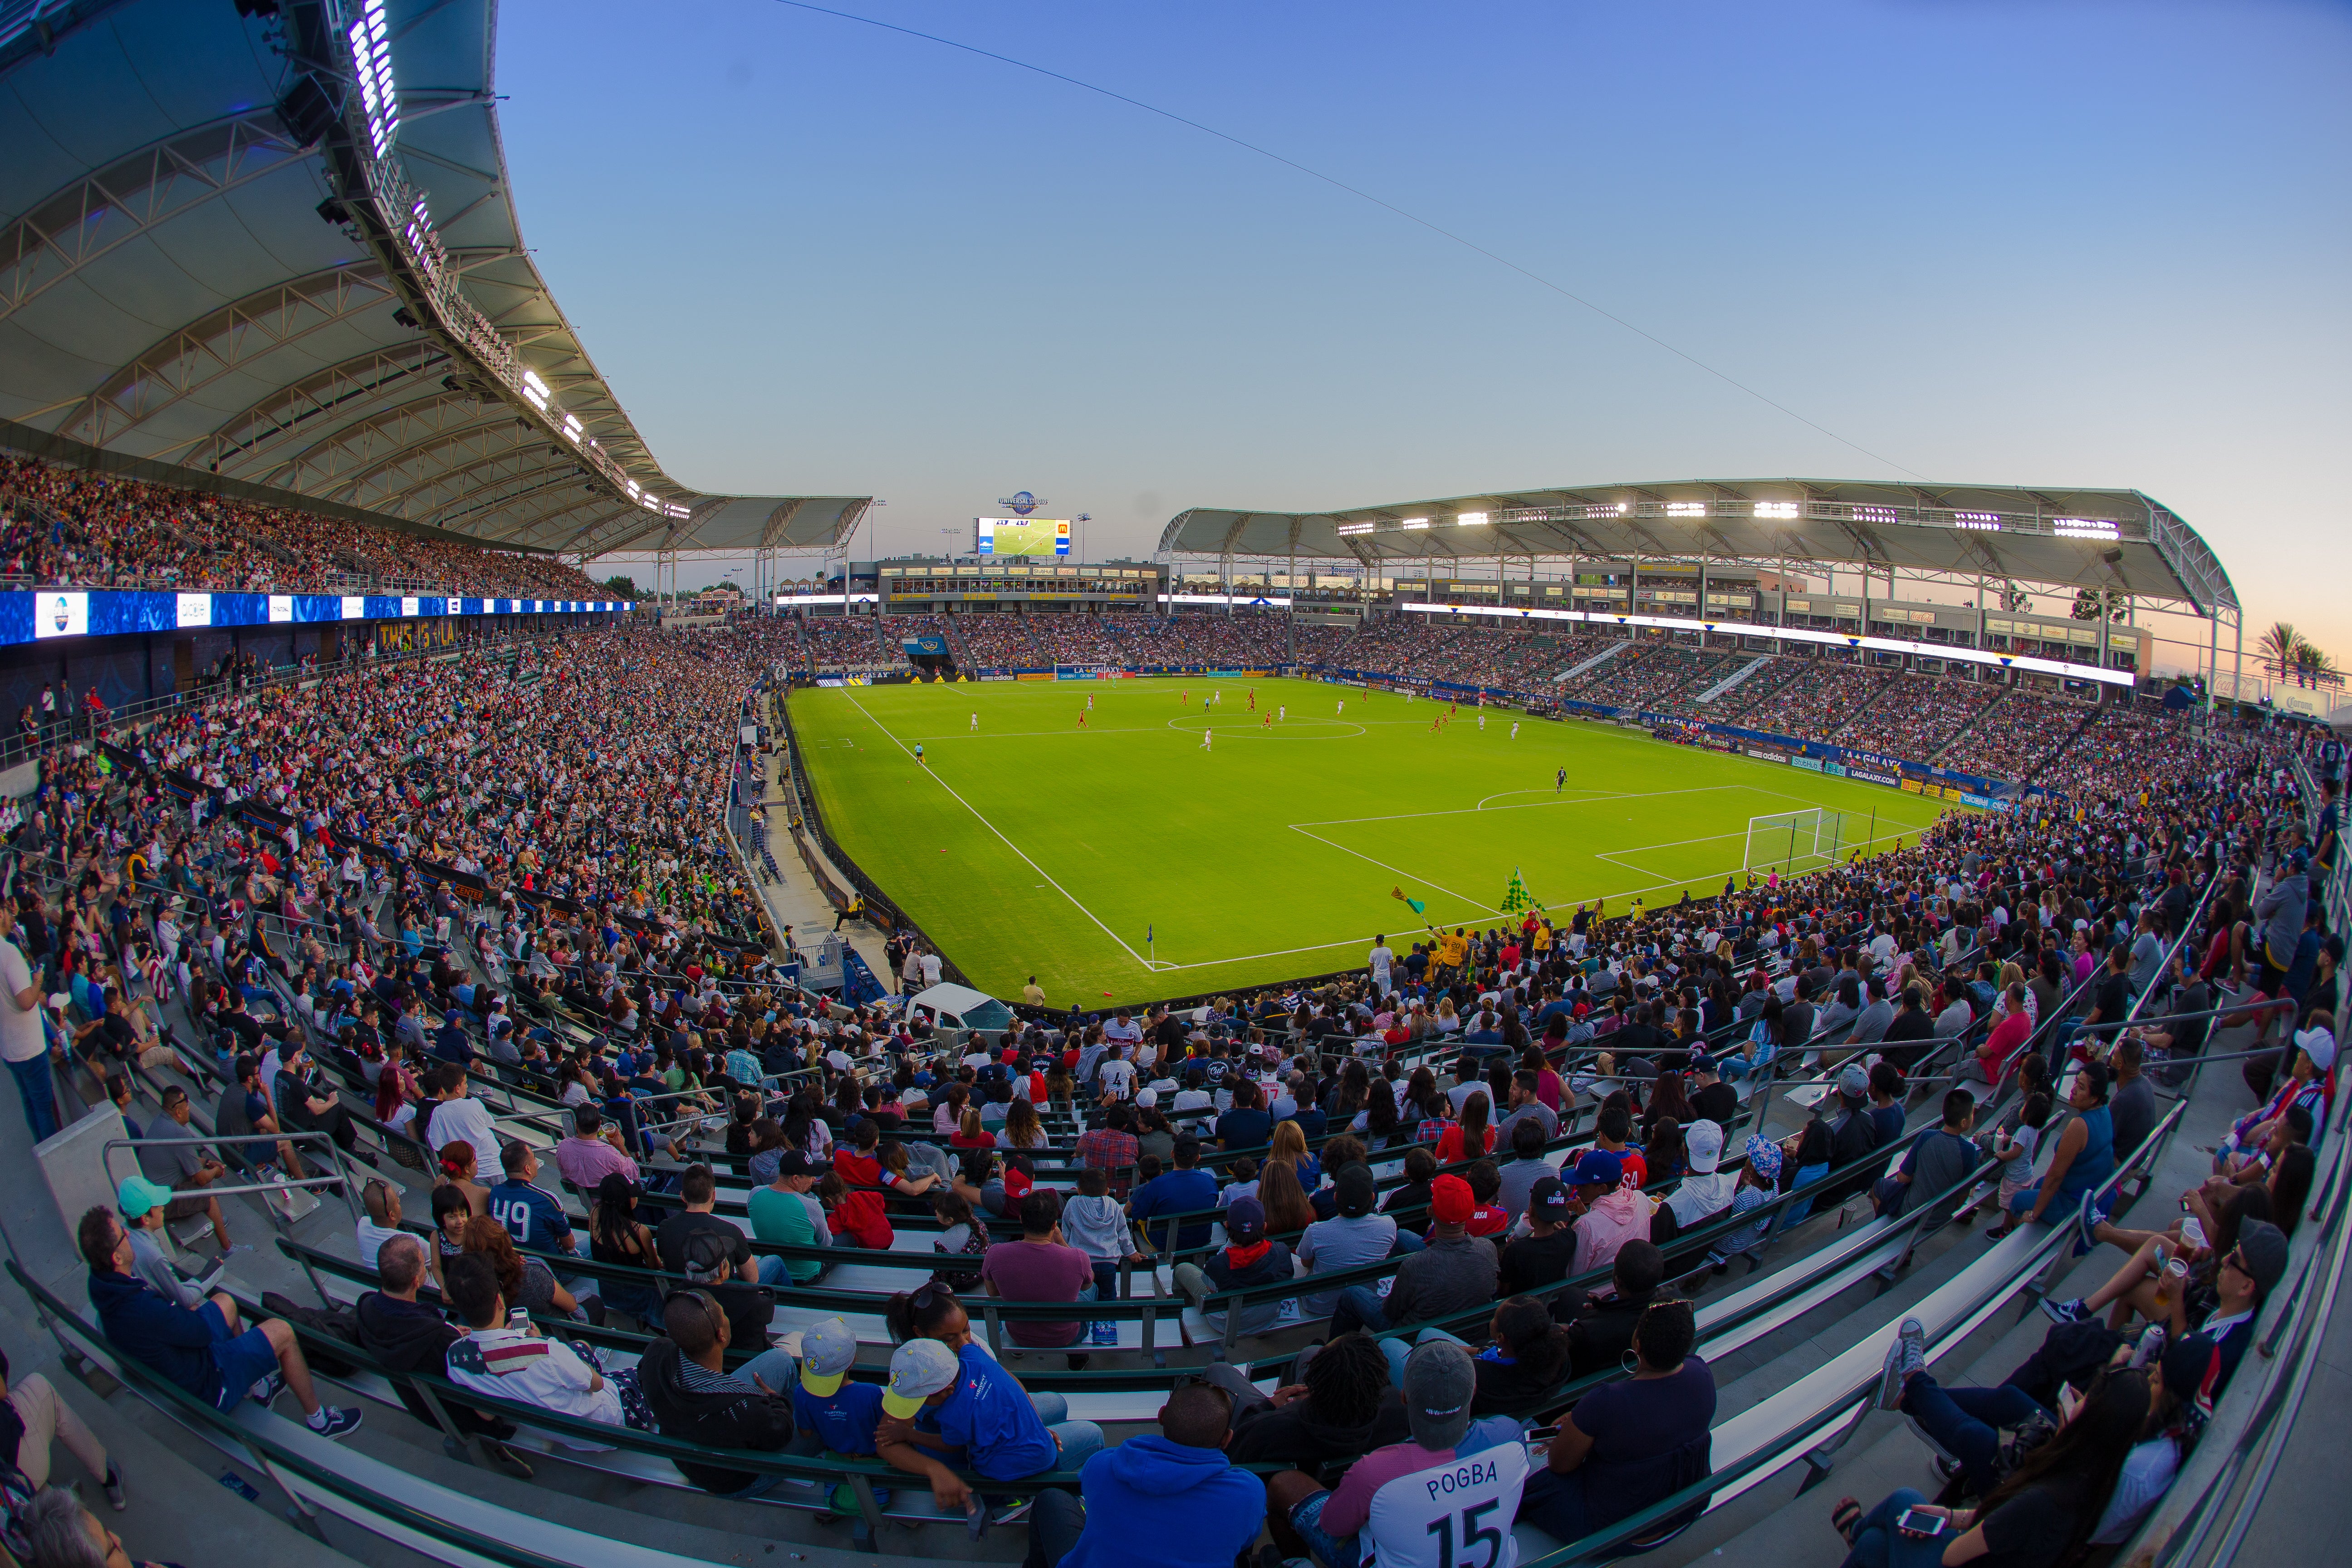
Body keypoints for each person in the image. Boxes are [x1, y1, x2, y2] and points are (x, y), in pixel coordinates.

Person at [1832, 1362, 2154, 1568]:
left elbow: (1954, 1556)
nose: (2077, 1399)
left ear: (2093, 1421)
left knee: (1903, 1503)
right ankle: (1858, 1535)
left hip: (1963, 1559)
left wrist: (1945, 1529)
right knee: (1874, 1546)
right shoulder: (2095, 1481)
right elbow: (2006, 1526)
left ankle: (1856, 1530)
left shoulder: (2046, 1497)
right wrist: (1950, 1516)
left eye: (2086, 1399)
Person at [78, 1208, 360, 1438]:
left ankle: (259, 1386)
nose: (129, 1233)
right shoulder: (140, 1307)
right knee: (283, 1331)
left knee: (226, 1302)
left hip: (181, 1363)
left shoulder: (103, 1289)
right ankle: (320, 1421)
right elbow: (199, 1333)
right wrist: (182, 1314)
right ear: (116, 1257)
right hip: (207, 1383)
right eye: (121, 1235)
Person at [1265, 1339, 1531, 1568]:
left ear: (1404, 1398)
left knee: (1284, 1484)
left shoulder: (1374, 1471)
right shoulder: (1509, 1435)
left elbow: (1333, 1526)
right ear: (1472, 1391)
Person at [1024, 1380, 1269, 1568]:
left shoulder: (1103, 1466)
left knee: (1051, 1499)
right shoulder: (1250, 1493)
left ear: (1161, 1416)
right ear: (1227, 1440)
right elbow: (1245, 1543)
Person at [353, 1233, 529, 1472]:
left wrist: (451, 1331)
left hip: (416, 1401)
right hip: (456, 1411)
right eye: (423, 1265)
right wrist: (506, 1336)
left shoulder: (366, 1307)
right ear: (417, 1281)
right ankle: (497, 1445)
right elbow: (482, 1401)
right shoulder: (439, 1337)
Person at [441, 1252, 629, 1448]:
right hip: (606, 1421)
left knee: (580, 1347)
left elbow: (486, 1414)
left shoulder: (454, 1358)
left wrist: (510, 1341)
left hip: (550, 1428)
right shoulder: (546, 1350)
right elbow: (597, 1385)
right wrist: (536, 1342)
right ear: (499, 1300)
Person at [637, 1288, 802, 1498]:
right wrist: (776, 1401)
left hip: (693, 1449)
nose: (726, 1318)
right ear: (721, 1334)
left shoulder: (655, 1353)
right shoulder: (744, 1408)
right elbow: (781, 1433)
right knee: (821, 1426)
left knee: (781, 1359)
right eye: (723, 1314)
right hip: (735, 1481)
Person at [1328, 1175, 1498, 1336]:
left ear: (1430, 1211)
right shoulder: (1488, 1249)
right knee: (1402, 1236)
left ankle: (1333, 1353)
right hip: (1467, 1327)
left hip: (1413, 1333)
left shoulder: (1416, 1265)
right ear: (1470, 1214)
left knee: (1352, 1294)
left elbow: (1390, 1311)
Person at [981, 1191, 1098, 1351]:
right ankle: (1077, 1356)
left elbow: (992, 1292)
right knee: (1094, 1287)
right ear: (1054, 1225)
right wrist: (1061, 1241)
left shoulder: (995, 1253)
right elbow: (1086, 1285)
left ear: (1021, 1220)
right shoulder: (1078, 1258)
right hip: (1066, 1335)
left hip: (1018, 1335)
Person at [0, 1348, 119, 1504]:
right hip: (18, 1473)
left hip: (9, 1498)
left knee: (41, 1504)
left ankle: (55, 1501)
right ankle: (108, 1476)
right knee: (40, 1385)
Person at [1172, 1196, 1294, 1339]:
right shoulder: (1282, 1251)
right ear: (1265, 1227)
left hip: (1226, 1323)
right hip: (1268, 1318)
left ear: (1227, 1225)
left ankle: (1184, 1326)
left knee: (1181, 1269)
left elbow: (1211, 1288)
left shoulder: (1218, 1264)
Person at [657, 1164, 788, 1286]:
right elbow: (753, 1279)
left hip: (681, 1294)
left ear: (683, 1197)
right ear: (714, 1196)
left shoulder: (664, 1228)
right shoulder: (731, 1231)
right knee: (775, 1262)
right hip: (724, 1297)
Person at [1298, 1165, 1400, 1317]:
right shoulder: (1388, 1225)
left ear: (1335, 1197)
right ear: (1373, 1197)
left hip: (1320, 1305)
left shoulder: (1315, 1231)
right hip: (1366, 1299)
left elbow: (1306, 1263)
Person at [0, 928, 57, 1143]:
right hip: (29, 1049)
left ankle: (41, 1147)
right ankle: (51, 1154)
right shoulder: (9, 952)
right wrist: (38, 981)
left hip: (10, 1049)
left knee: (29, 1102)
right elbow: (26, 1002)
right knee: (43, 1107)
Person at [746, 1151, 831, 1283]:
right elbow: (826, 1246)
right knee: (847, 1239)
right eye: (810, 1176)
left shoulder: (754, 1194)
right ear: (796, 1179)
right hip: (806, 1276)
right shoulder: (811, 1206)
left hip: (771, 1271)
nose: (814, 1179)